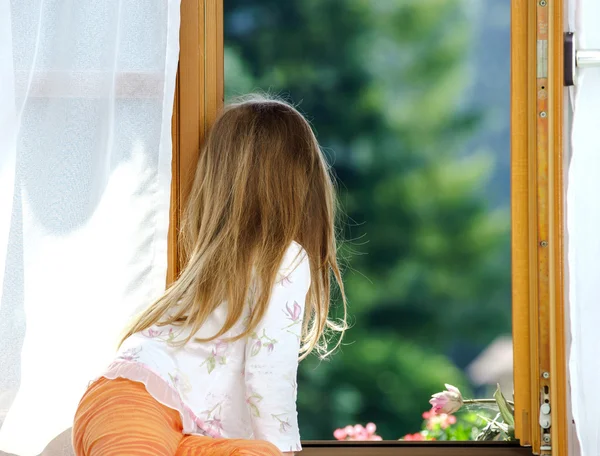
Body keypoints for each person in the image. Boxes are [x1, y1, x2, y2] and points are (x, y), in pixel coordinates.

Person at [72, 94, 347, 456]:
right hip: (138, 405)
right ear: (303, 184)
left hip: (166, 421)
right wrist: (285, 450)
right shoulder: (286, 258)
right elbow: (269, 375)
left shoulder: (223, 262)